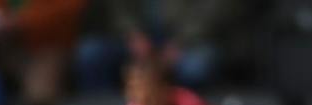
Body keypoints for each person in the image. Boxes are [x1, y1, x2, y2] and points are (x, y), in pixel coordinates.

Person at [75, 0, 239, 91]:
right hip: (136, 42)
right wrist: (132, 34)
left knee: (196, 69)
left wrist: (181, 42)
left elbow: (217, 9)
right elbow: (118, 8)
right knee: (91, 54)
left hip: (192, 41)